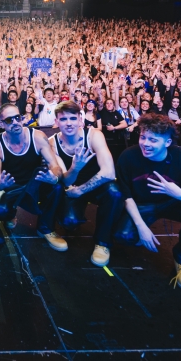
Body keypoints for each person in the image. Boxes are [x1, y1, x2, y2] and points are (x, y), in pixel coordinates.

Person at [115, 113, 181, 291]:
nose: (145, 143)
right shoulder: (128, 156)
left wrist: (180, 194)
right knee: (124, 236)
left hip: (175, 203)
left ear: (167, 143)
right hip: (143, 204)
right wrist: (141, 227)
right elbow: (126, 195)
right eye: (143, 137)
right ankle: (142, 231)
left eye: (153, 140)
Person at [0, 102, 68, 251]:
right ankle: (11, 214)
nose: (15, 122)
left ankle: (45, 228)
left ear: (22, 118)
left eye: (17, 117)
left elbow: (55, 166)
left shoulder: (38, 136)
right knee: (1, 211)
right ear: (1, 124)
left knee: (57, 186)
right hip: (14, 186)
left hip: (36, 182)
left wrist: (54, 177)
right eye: (10, 120)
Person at [51, 101, 123, 267]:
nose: (68, 123)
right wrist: (75, 168)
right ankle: (76, 217)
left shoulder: (94, 135)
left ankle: (103, 243)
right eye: (63, 119)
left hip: (96, 185)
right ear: (56, 122)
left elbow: (109, 172)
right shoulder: (52, 143)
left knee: (115, 192)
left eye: (72, 118)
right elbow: (66, 180)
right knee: (69, 222)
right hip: (72, 187)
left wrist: (81, 190)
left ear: (80, 120)